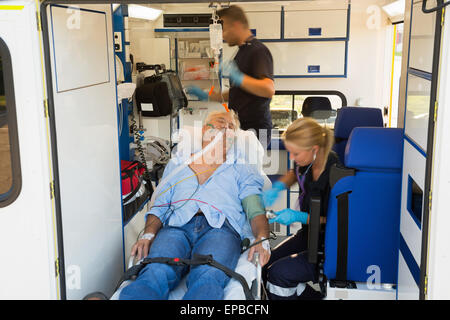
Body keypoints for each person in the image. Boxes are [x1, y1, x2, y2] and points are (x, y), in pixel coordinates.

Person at [119, 111, 271, 300]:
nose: (225, 128)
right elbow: (160, 205)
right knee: (156, 271)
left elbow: (255, 208)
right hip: (175, 228)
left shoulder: (241, 168)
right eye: (220, 123)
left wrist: (262, 237)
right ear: (204, 131)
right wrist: (149, 233)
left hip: (221, 231)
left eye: (231, 127)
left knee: (208, 276)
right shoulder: (177, 165)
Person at [261, 117, 341, 300]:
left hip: (327, 242)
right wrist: (279, 187)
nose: (291, 158)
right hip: (307, 235)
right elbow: (294, 173)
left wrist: (299, 217)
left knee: (278, 274)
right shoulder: (307, 160)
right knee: (265, 265)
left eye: (295, 154)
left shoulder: (335, 173)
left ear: (314, 149)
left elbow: (337, 222)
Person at [187, 5, 275, 148]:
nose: (222, 35)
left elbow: (268, 89)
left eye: (225, 29)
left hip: (255, 130)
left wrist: (239, 77)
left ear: (236, 25)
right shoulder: (242, 52)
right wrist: (208, 96)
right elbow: (239, 92)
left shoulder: (258, 51)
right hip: (240, 126)